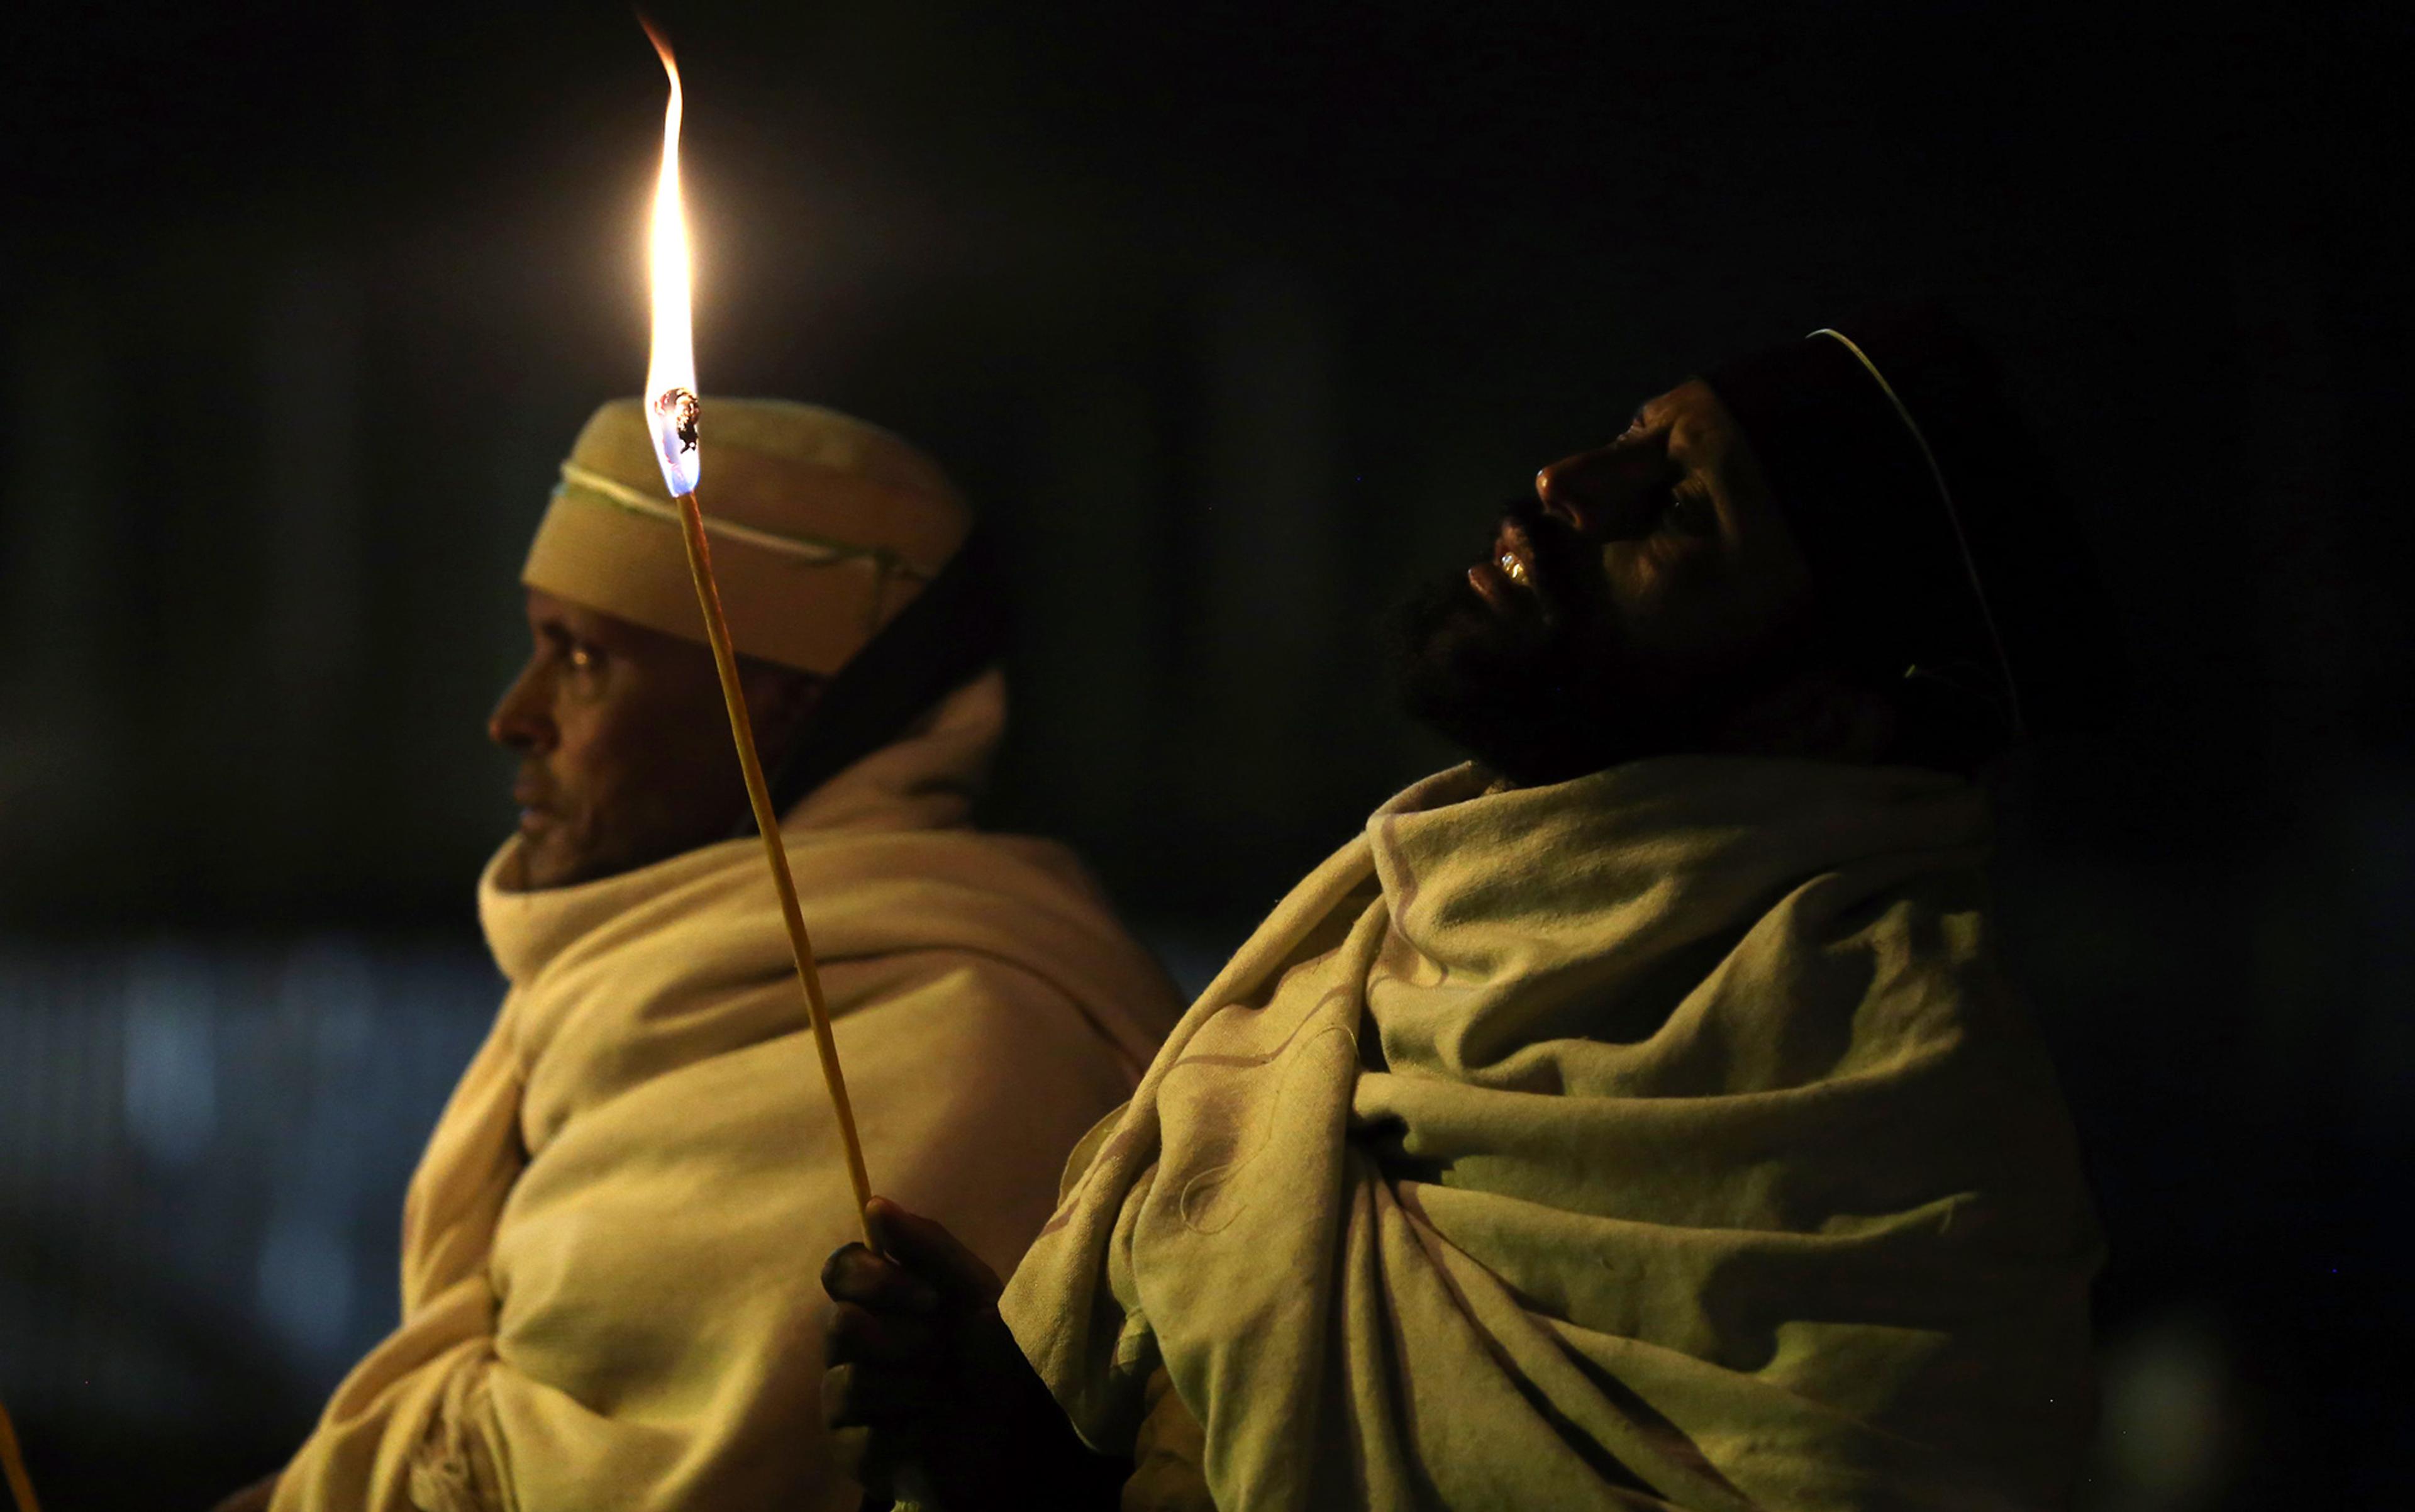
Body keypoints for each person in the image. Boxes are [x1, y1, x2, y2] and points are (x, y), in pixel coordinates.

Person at [820, 309, 2113, 1511]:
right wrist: (1018, 1447)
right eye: (1631, 437)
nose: (1570, 485)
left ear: (1819, 718)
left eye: (1679, 510)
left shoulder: (1902, 1103)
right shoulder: (1370, 941)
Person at [224, 398, 1182, 1512]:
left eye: (582, 657)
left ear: (774, 703)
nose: (514, 716)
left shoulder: (966, 1035)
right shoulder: (635, 995)